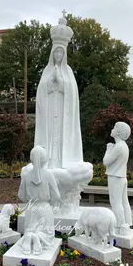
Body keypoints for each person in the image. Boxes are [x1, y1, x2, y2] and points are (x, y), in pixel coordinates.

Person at [34, 15, 83, 169]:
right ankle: (47, 161)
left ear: (64, 54)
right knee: (50, 136)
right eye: (56, 52)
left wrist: (61, 82)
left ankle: (63, 161)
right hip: (50, 112)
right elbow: (41, 91)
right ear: (52, 53)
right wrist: (50, 81)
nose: (58, 55)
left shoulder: (68, 71)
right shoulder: (47, 71)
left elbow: (73, 93)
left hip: (63, 112)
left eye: (61, 53)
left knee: (61, 136)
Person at [18, 146, 61, 255]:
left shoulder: (26, 176)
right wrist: (51, 203)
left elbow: (21, 196)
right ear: (45, 159)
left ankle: (29, 236)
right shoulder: (48, 174)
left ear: (31, 159)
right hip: (44, 207)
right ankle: (37, 238)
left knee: (31, 228)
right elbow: (56, 195)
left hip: (31, 208)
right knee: (48, 233)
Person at [103, 122, 132, 235]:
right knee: (124, 201)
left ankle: (119, 227)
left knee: (115, 202)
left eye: (114, 127)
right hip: (122, 177)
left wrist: (108, 149)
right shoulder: (124, 146)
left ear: (119, 132)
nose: (112, 129)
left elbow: (106, 162)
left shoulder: (118, 147)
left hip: (115, 177)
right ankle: (128, 224)